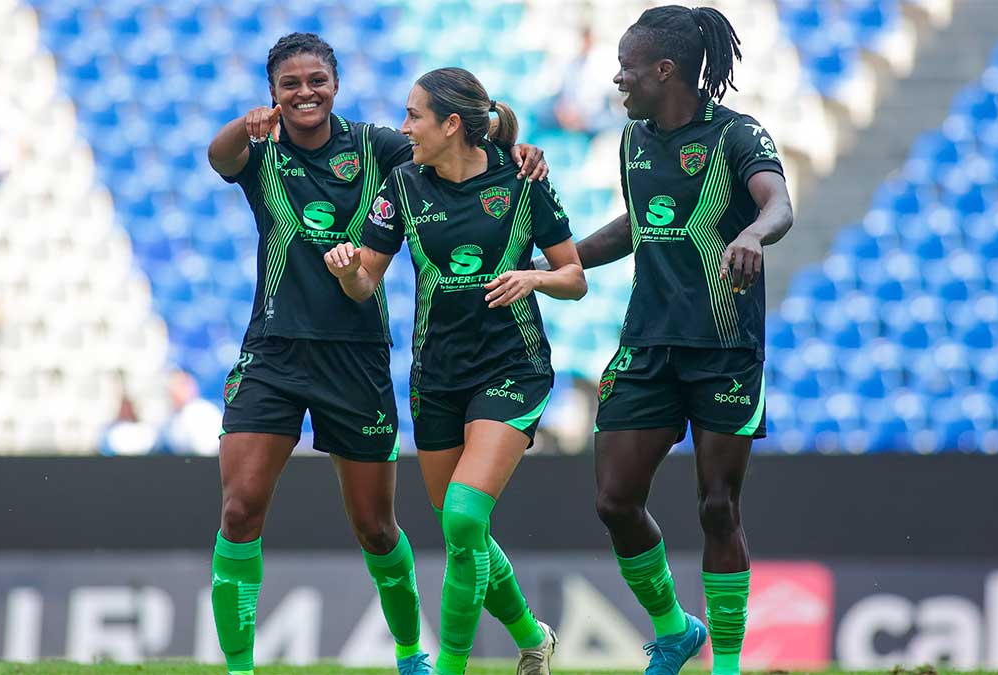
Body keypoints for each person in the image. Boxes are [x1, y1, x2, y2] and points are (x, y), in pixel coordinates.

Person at [205, 33, 551, 675]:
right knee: (239, 507)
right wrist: (242, 125)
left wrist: (513, 142)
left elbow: (461, 135)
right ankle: (239, 669)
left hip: (357, 356)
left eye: (317, 80)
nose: (305, 93)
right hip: (273, 351)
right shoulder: (262, 148)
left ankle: (409, 653)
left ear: (335, 85)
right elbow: (218, 156)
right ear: (272, 93)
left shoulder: (379, 148)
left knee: (375, 526)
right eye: (289, 84)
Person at [539, 7, 794, 675]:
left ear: (665, 69)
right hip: (647, 345)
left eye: (626, 67)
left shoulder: (738, 134)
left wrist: (752, 233)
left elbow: (779, 204)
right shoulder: (633, 140)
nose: (617, 79)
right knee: (614, 500)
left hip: (724, 348)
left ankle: (726, 665)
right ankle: (675, 629)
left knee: (718, 506)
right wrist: (554, 263)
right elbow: (637, 226)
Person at [324, 67, 587, 675]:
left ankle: (450, 667)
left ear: (449, 125)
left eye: (413, 115)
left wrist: (534, 277)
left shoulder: (523, 178)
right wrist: (347, 272)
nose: (403, 127)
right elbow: (366, 283)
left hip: (513, 367)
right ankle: (534, 639)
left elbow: (573, 278)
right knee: (464, 533)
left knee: (465, 518)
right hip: (437, 377)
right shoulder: (401, 185)